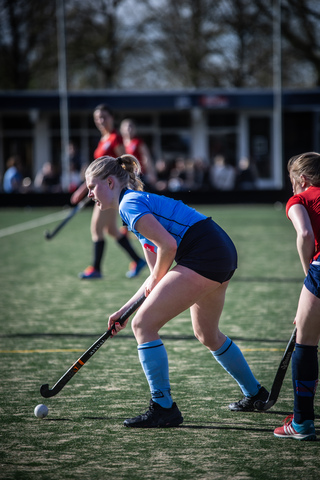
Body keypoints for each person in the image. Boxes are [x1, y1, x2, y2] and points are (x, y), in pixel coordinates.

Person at [84, 154, 269, 428]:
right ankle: (256, 394)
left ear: (110, 182)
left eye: (92, 186)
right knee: (207, 333)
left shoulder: (130, 204)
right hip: (219, 250)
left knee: (143, 325)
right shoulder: (135, 205)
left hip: (205, 254)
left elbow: (168, 248)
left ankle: (163, 407)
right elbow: (154, 277)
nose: (89, 194)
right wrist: (123, 310)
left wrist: (138, 306)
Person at [273, 152, 320, 441]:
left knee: (306, 341)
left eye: (292, 181)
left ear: (301, 179)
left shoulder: (299, 199)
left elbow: (304, 234)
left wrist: (309, 278)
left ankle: (301, 421)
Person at [71, 104, 146, 279]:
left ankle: (96, 269)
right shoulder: (103, 139)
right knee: (112, 230)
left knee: (96, 229)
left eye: (104, 117)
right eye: (97, 118)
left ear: (112, 118)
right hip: (102, 190)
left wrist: (128, 185)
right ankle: (138, 260)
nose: (100, 121)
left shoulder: (115, 139)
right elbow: (96, 172)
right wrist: (83, 189)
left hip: (110, 192)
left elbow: (126, 164)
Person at [120, 118, 157, 190]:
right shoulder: (120, 143)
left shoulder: (138, 142)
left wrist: (151, 173)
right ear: (122, 129)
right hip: (125, 175)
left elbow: (146, 157)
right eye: (126, 127)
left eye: (131, 126)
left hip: (138, 175)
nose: (129, 129)